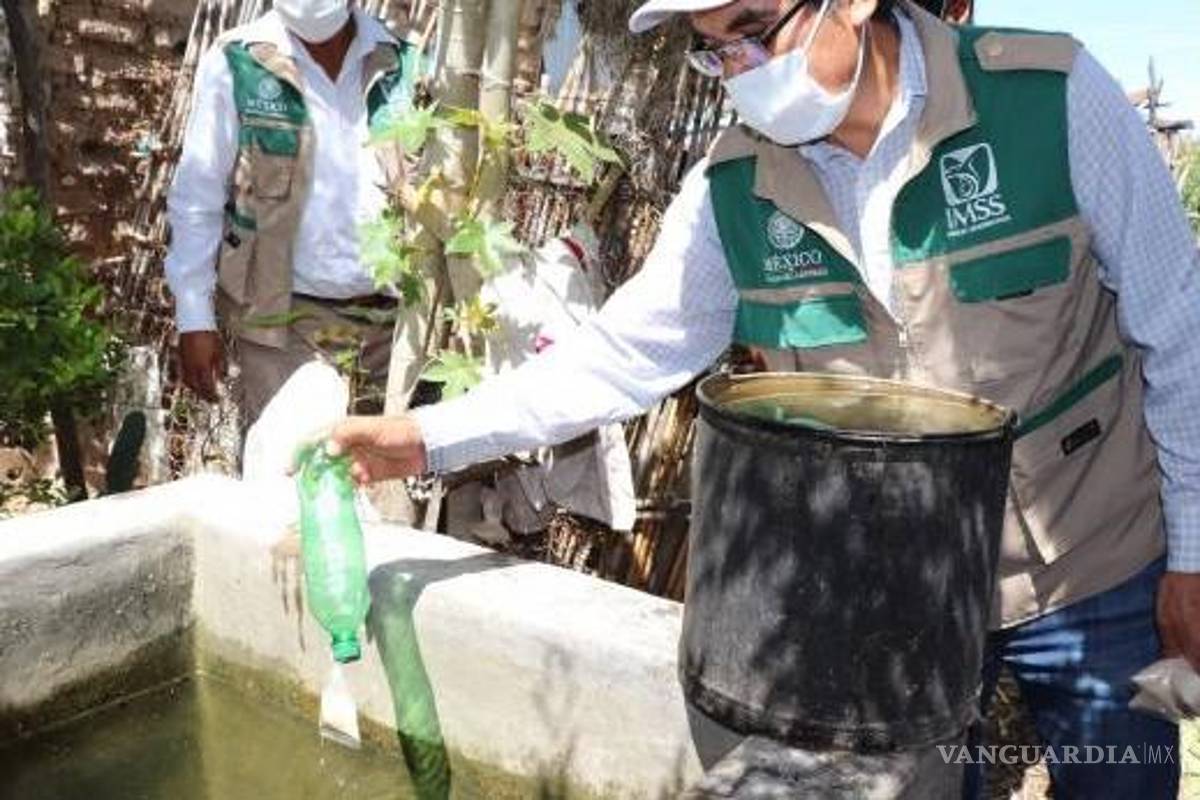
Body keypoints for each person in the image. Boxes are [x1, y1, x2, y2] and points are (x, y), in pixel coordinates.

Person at [321, 1, 1200, 796]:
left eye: (753, 29)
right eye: (713, 50)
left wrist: (1193, 555)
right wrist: (427, 438)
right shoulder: (733, 185)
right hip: (892, 587)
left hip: (1093, 563)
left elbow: (1181, 332)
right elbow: (627, 352)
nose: (741, 71)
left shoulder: (1047, 98)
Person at [165, 0, 413, 431]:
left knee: (380, 485)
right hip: (280, 326)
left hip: (391, 332)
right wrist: (194, 318)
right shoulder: (239, 63)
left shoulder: (401, 66)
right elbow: (197, 198)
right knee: (283, 481)